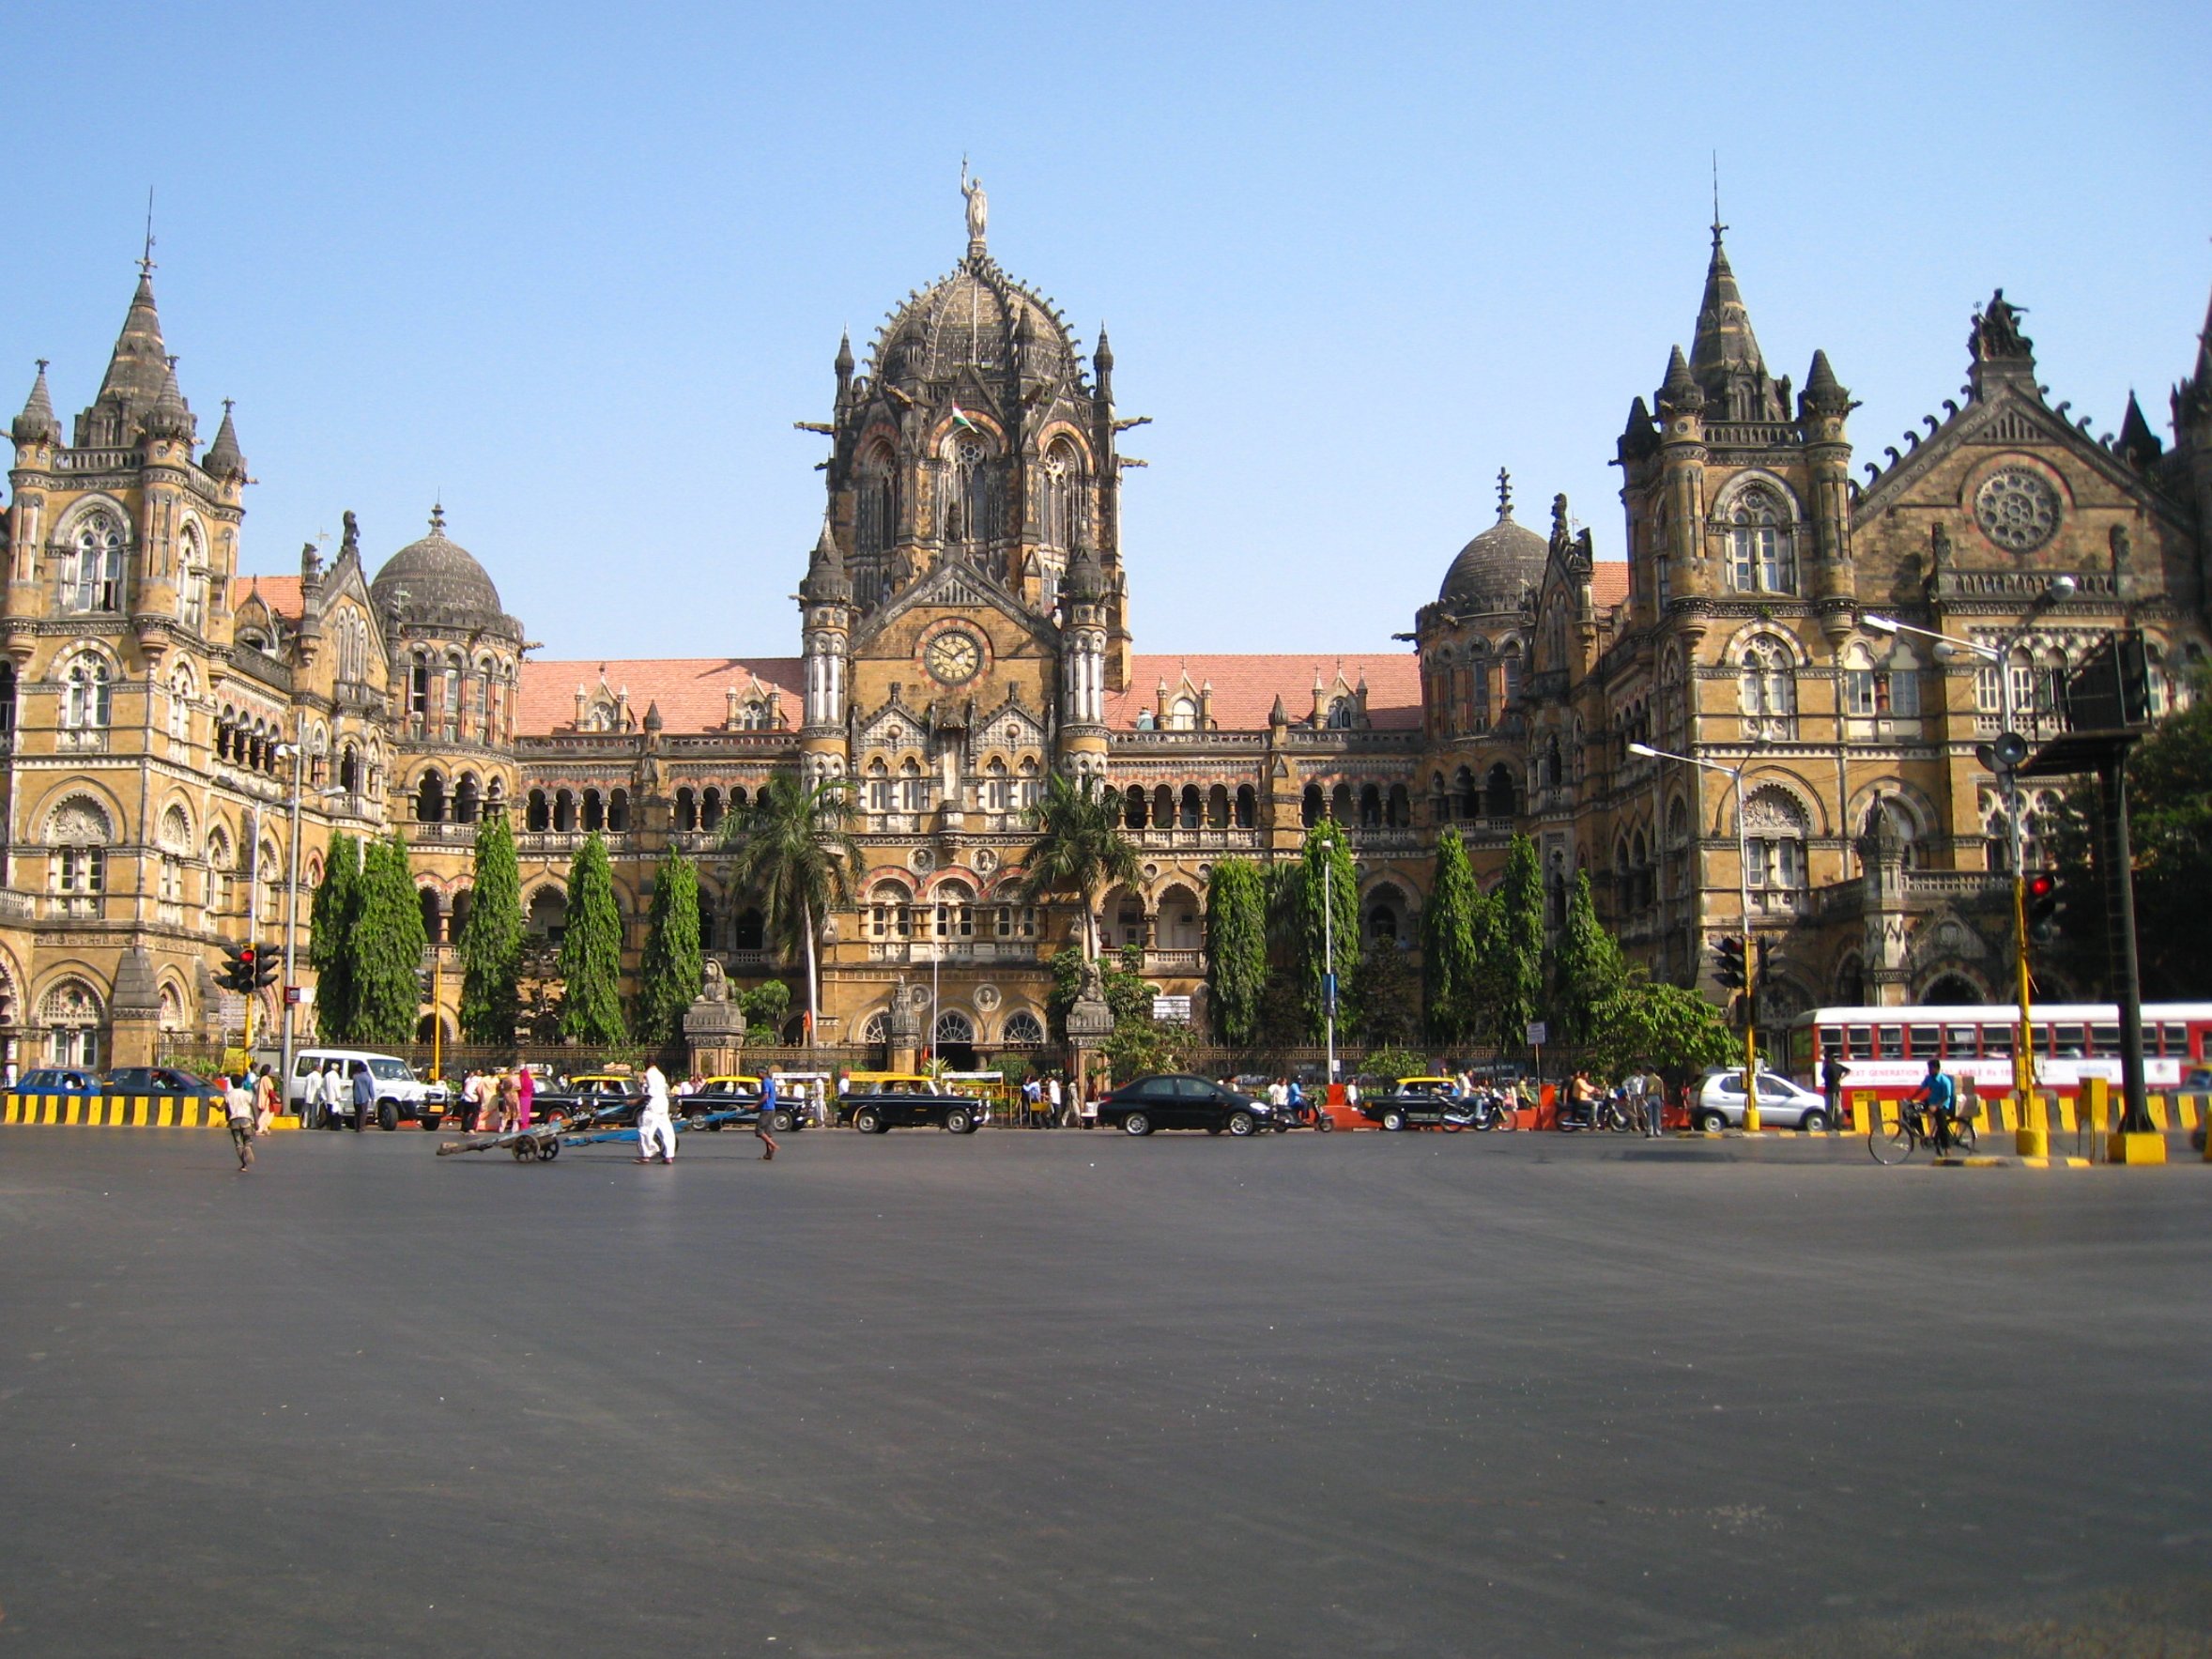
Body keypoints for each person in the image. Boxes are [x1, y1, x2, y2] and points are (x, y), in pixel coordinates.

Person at [1908, 1057, 1958, 1151]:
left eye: (1930, 1069)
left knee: (1941, 1125)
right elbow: (1921, 1089)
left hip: (1942, 1104)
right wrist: (1911, 1098)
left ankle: (1947, 1147)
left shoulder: (1944, 1081)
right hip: (1930, 1101)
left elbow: (1946, 1096)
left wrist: (1936, 1106)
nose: (1929, 1071)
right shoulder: (1929, 1078)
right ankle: (1921, 1134)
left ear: (1936, 1068)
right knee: (1911, 1110)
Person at [635, 1060, 676, 1164]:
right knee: (666, 1130)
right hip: (663, 1103)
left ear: (648, 1064)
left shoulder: (649, 1074)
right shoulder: (660, 1074)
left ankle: (647, 1154)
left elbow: (651, 1092)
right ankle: (669, 1156)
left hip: (654, 1104)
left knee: (645, 1130)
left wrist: (635, 1101)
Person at [222, 1074, 254, 1171]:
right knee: (247, 1140)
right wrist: (256, 1122)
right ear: (242, 1083)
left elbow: (222, 1108)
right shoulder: (247, 1094)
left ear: (231, 1083)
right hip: (246, 1120)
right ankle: (248, 1147)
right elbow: (253, 1107)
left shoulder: (228, 1094)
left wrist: (214, 1105)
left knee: (238, 1144)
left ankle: (244, 1165)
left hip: (234, 1121)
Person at [755, 1067, 779, 1161]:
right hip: (771, 1108)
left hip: (767, 1109)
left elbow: (766, 1096)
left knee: (759, 1130)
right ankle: (769, 1154)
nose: (757, 1075)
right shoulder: (770, 1081)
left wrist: (755, 1105)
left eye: (757, 1073)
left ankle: (773, 1146)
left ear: (762, 1073)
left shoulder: (765, 1082)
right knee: (767, 1132)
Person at [1820, 1051, 1849, 1129]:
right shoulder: (1838, 1066)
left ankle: (1830, 1125)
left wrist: (1823, 1066)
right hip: (1838, 1089)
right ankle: (1839, 1124)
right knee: (1838, 1107)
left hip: (1829, 1090)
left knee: (1829, 1108)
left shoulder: (1827, 1067)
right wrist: (1841, 1078)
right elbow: (1848, 1071)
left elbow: (1823, 1075)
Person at [253, 1065, 280, 1136]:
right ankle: (259, 1130)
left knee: (269, 1114)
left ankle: (265, 1129)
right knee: (265, 1115)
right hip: (266, 1100)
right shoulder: (266, 1079)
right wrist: (275, 1098)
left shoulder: (263, 1078)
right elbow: (270, 1090)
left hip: (263, 1099)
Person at [349, 1061, 374, 1132]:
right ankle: (361, 1127)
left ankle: (356, 1127)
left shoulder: (355, 1077)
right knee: (363, 1113)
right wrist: (372, 1097)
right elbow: (370, 1088)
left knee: (357, 1112)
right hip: (364, 1097)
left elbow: (353, 1087)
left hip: (356, 1096)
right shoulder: (368, 1078)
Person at [515, 1064, 535, 1131]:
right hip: (528, 1097)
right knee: (526, 1111)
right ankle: (525, 1124)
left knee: (521, 1111)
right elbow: (532, 1088)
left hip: (521, 1096)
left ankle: (521, 1124)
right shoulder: (530, 1080)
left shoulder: (520, 1079)